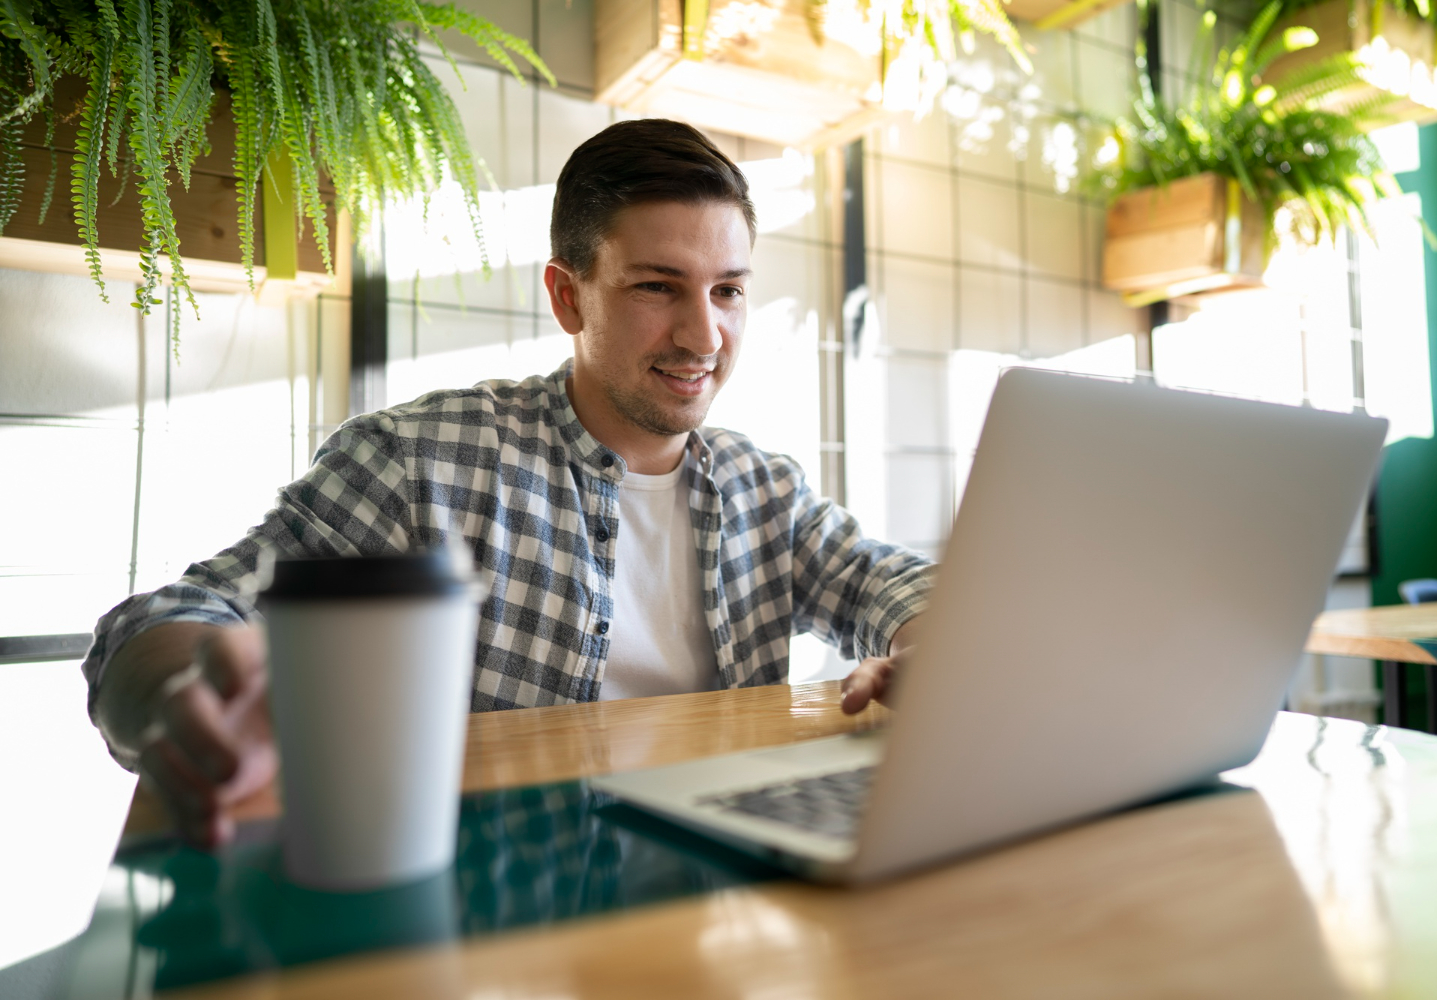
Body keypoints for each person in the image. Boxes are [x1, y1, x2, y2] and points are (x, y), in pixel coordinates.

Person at [83, 119, 932, 847]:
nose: (704, 333)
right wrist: (184, 690)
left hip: (719, 886)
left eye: (729, 291)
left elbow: (894, 584)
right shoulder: (424, 459)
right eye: (657, 287)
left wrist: (930, 645)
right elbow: (161, 622)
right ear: (568, 297)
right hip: (490, 894)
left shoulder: (763, 491)